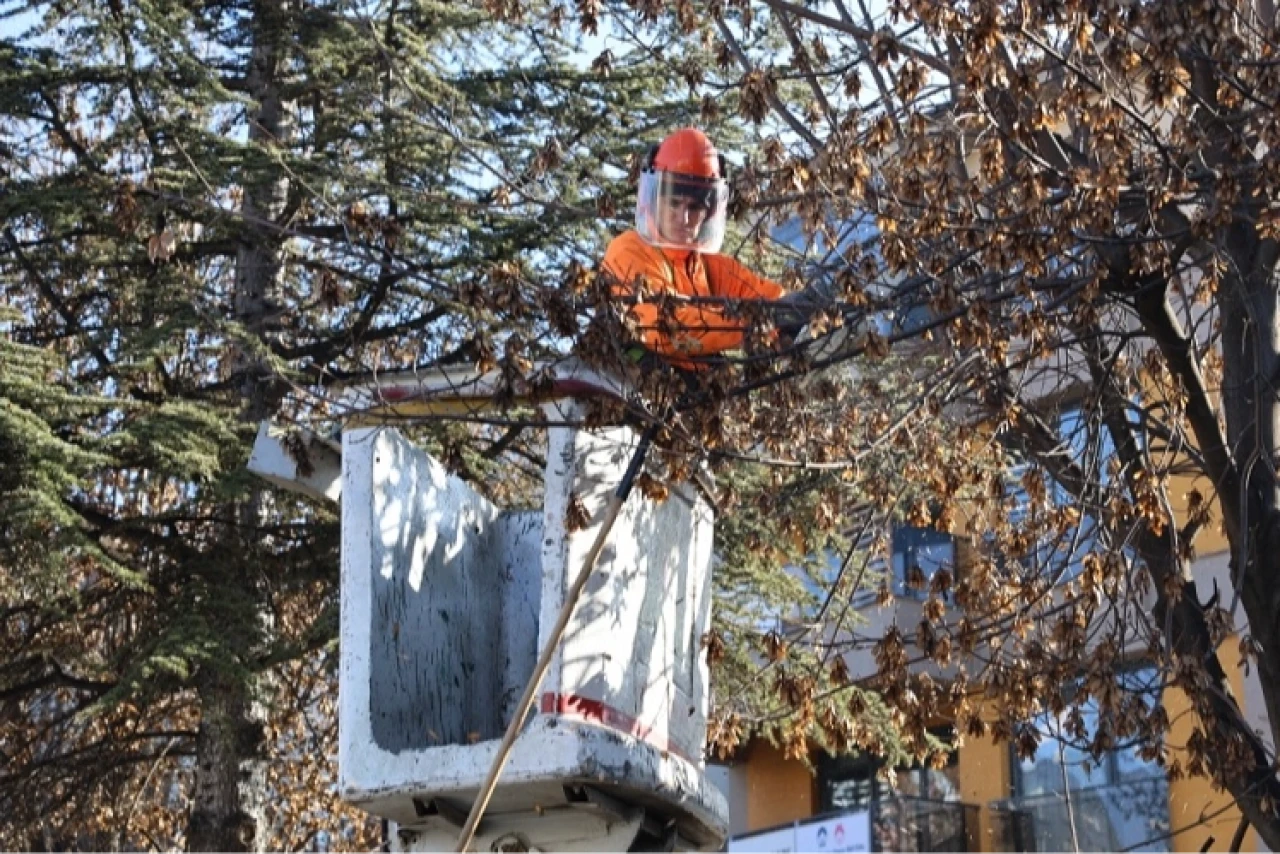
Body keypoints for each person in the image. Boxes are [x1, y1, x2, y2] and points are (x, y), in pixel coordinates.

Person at [601, 127, 797, 369]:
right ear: (654, 200)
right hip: (631, 394)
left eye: (694, 207)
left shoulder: (712, 269)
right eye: (674, 203)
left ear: (709, 213)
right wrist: (752, 325)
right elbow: (663, 328)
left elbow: (769, 300)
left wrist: (797, 312)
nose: (683, 218)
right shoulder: (629, 250)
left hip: (691, 398)